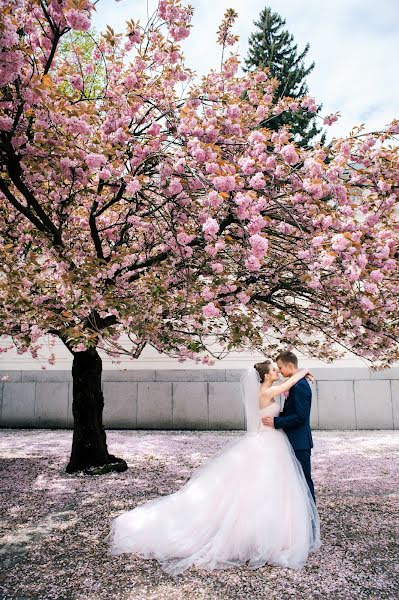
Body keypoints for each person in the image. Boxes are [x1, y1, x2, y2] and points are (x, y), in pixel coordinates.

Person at [105, 361, 320, 575]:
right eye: (274, 369)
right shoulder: (268, 390)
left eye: (277, 368)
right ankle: (260, 534)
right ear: (264, 377)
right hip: (269, 443)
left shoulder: (267, 389)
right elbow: (289, 382)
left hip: (273, 442)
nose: (277, 371)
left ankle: (273, 531)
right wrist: (304, 371)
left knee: (269, 488)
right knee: (261, 486)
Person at [261, 351, 316, 502]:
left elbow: (300, 416)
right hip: (290, 440)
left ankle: (310, 520)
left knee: (304, 481)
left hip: (299, 442)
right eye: (275, 368)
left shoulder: (300, 386)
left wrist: (276, 422)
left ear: (290, 365)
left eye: (280, 367)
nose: (278, 370)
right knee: (294, 482)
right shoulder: (295, 383)